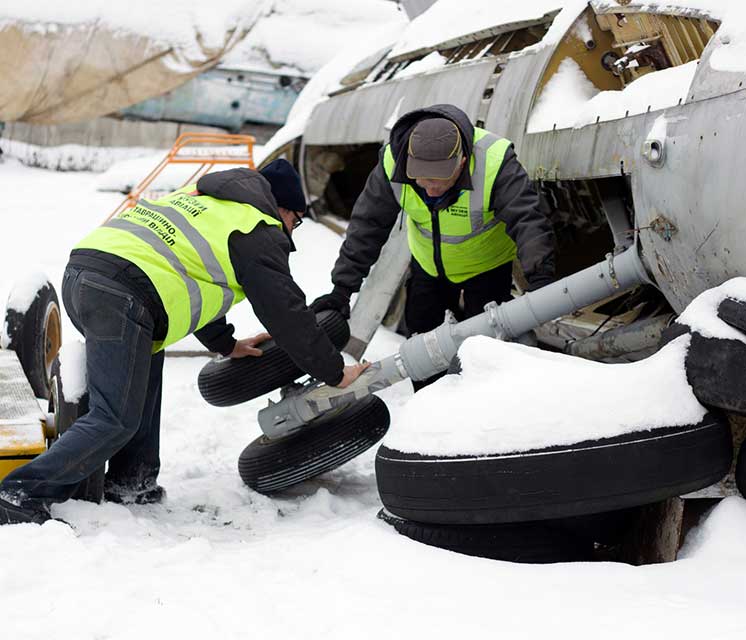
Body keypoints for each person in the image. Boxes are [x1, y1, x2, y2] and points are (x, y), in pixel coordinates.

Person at [0, 159, 368, 525]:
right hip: (122, 295)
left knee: (140, 382)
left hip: (87, 274)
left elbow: (191, 277)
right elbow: (285, 312)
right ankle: (19, 492)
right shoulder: (258, 227)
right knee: (114, 417)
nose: (292, 231)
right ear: (284, 208)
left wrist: (225, 343)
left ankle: (134, 481)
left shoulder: (202, 199)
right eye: (296, 221)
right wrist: (335, 373)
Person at [311, 104, 556, 389]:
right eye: (422, 180)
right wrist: (342, 288)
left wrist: (541, 282)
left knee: (485, 351)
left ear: (462, 162)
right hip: (428, 266)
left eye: (439, 181)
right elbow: (367, 226)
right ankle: (426, 410)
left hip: (487, 267)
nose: (429, 189)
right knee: (422, 348)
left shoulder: (494, 160)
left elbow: (528, 221)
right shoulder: (392, 161)